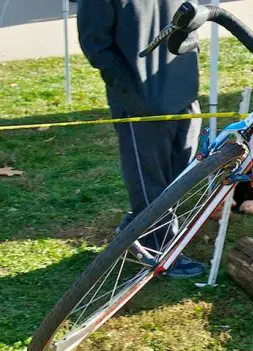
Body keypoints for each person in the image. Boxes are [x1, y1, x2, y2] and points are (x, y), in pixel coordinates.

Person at [77, 0, 205, 278]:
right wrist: (132, 91)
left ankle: (138, 229)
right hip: (139, 101)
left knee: (184, 171)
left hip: (183, 90)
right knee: (149, 179)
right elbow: (96, 45)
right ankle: (159, 250)